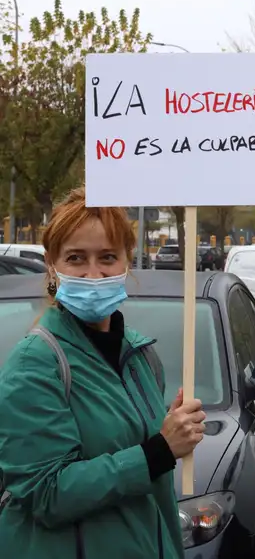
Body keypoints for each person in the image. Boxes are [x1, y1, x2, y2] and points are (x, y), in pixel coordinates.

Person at [0, 187, 206, 559]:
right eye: (76, 258)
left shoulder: (141, 355)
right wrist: (158, 450)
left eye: (107, 257)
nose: (93, 274)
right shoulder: (35, 363)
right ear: (52, 263)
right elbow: (45, 493)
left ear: (128, 261)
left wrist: (173, 428)